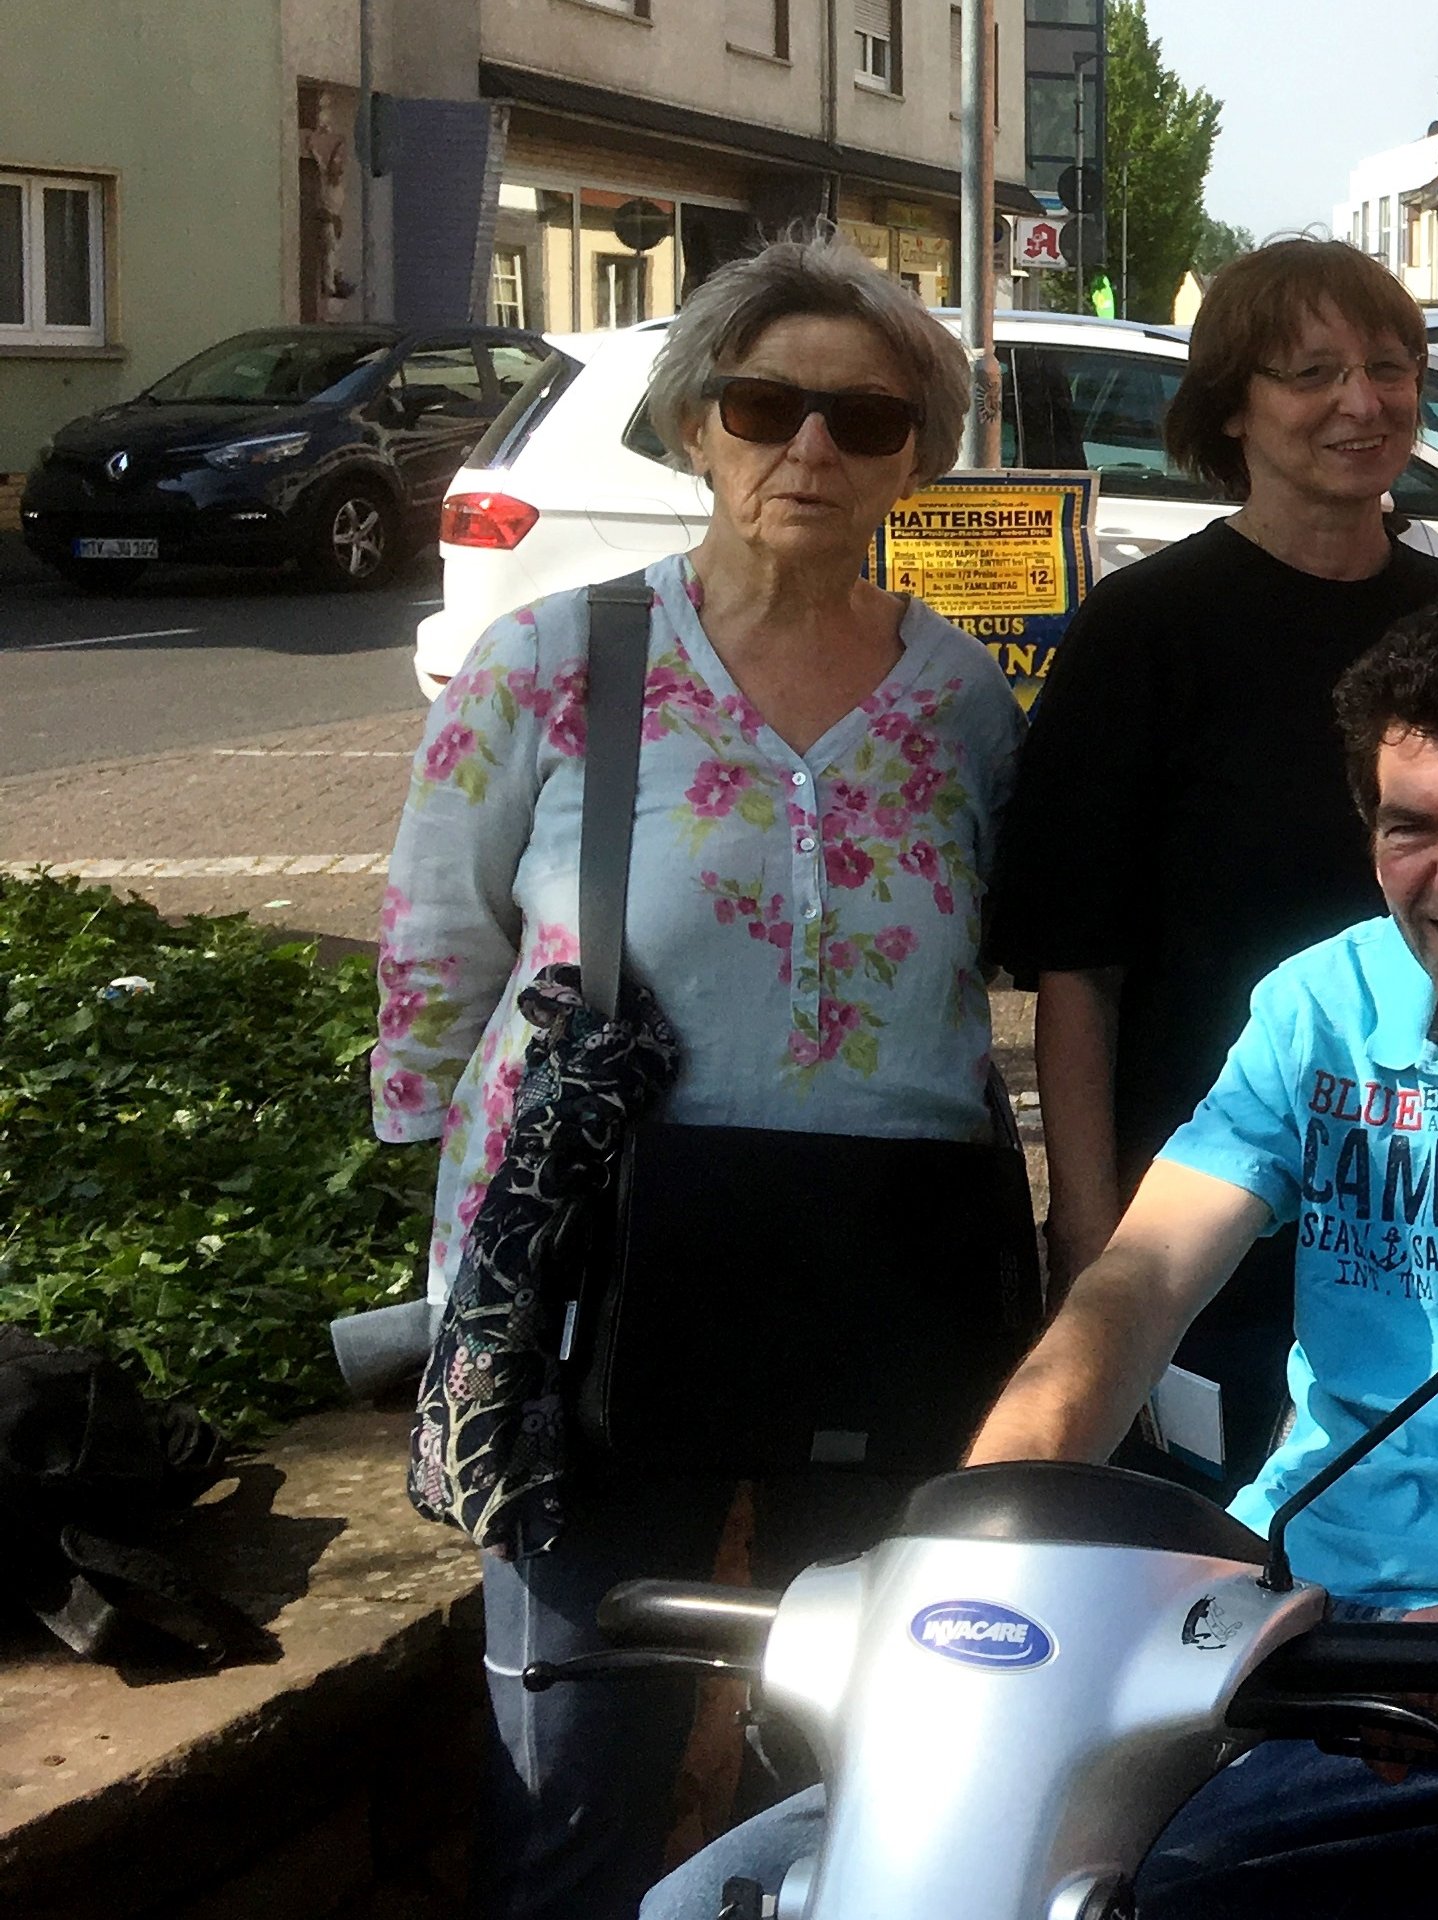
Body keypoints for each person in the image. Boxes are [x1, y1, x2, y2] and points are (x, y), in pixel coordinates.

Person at [640, 596, 1438, 1920]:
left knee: (1149, 1890)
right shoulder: (1323, 1000)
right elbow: (1142, 1281)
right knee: (727, 1898)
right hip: (1277, 1615)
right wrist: (980, 1546)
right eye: (1412, 828)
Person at [373, 231, 1022, 1920]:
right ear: (695, 426)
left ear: (913, 460)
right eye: (765, 406)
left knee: (843, 1766)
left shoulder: (962, 700)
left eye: (866, 422)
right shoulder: (548, 665)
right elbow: (435, 965)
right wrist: (465, 1288)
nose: (812, 448)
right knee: (579, 1757)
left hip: (883, 1281)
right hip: (610, 1277)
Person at [986, 238, 1438, 1498]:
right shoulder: (1142, 633)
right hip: (1204, 1214)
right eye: (1310, 372)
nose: (1361, 404)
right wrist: (1092, 1238)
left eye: (1389, 367)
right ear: (1232, 407)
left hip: (1435, 1205)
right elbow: (1078, 967)